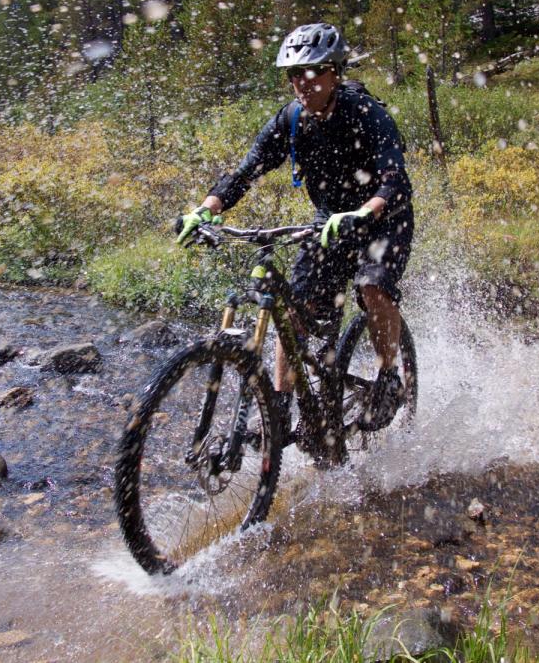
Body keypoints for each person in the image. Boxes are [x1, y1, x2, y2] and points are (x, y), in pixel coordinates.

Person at [176, 22, 414, 432]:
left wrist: (364, 211)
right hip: (329, 225)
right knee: (293, 313)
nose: (301, 83)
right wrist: (207, 209)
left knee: (372, 286)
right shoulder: (290, 120)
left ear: (334, 72)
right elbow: (245, 172)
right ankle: (282, 409)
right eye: (293, 75)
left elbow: (395, 180)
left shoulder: (366, 113)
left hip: (383, 219)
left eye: (311, 72)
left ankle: (389, 377)